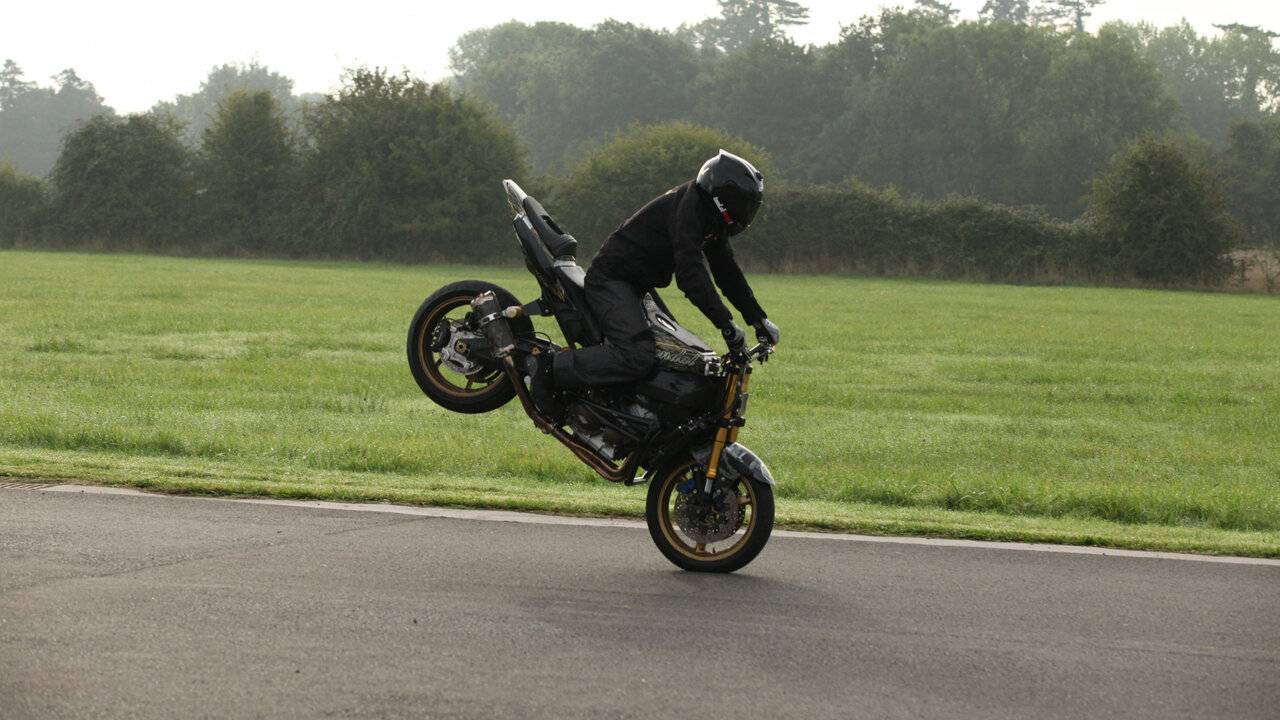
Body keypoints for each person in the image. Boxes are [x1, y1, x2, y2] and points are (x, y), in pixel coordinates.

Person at [528, 150, 780, 420]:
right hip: (612, 279)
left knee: (679, 355)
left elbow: (727, 272)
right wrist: (726, 323)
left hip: (638, 285)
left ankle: (639, 415)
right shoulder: (691, 209)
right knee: (637, 355)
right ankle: (550, 366)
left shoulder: (709, 217)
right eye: (745, 203)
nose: (748, 212)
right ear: (724, 195)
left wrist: (758, 318)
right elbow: (690, 275)